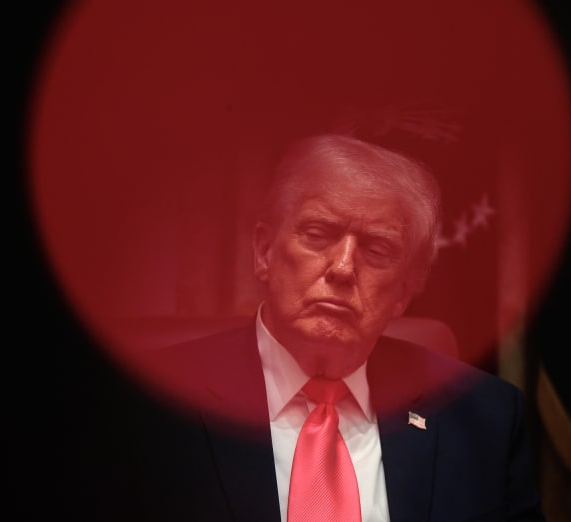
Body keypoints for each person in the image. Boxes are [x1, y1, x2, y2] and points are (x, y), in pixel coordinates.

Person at [105, 133, 544, 522]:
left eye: (377, 249)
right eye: (317, 234)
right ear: (264, 252)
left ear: (404, 293)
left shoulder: (483, 417)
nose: (342, 267)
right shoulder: (145, 402)